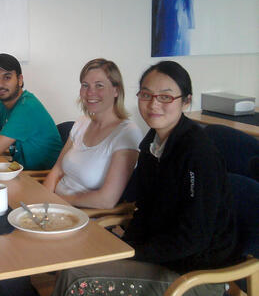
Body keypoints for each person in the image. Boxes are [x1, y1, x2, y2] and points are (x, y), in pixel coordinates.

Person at [52, 61, 238, 296]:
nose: (153, 104)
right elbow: (145, 210)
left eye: (166, 97)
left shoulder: (198, 153)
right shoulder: (152, 145)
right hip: (160, 258)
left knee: (77, 279)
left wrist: (132, 252)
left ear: (186, 101)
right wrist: (127, 246)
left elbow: (194, 238)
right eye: (146, 94)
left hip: (194, 273)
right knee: (73, 265)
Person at [43, 58, 143, 209]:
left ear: (116, 90)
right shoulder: (82, 122)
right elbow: (57, 170)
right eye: (85, 85)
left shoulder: (127, 133)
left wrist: (58, 201)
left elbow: (106, 200)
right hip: (55, 206)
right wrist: (42, 202)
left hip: (84, 216)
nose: (90, 92)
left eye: (99, 85)